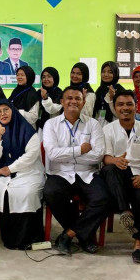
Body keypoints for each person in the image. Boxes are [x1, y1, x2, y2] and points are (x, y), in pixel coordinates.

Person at [42, 86, 111, 255]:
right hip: (60, 173)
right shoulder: (51, 124)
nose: (73, 101)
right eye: (69, 98)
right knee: (51, 193)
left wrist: (65, 154)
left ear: (83, 102)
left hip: (87, 173)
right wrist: (80, 150)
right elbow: (52, 154)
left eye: (77, 98)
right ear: (62, 102)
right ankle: (85, 237)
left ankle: (68, 235)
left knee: (104, 198)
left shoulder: (93, 124)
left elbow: (97, 156)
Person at [100, 89, 140, 264]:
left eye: (129, 104)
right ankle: (126, 211)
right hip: (117, 176)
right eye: (120, 104)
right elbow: (105, 158)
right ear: (115, 107)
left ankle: (139, 243)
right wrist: (116, 160)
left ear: (136, 106)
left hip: (139, 174)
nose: (125, 108)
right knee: (109, 169)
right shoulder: (107, 130)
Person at [0, 100, 44, 249]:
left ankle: (28, 238)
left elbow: (31, 155)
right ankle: (10, 237)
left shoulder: (27, 130)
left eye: (6, 109)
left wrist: (11, 168)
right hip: (2, 172)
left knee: (27, 193)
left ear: (13, 110)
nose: (3, 114)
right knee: (3, 192)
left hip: (28, 171)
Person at [93, 61, 121, 127]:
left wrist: (112, 99)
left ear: (115, 74)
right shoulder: (99, 90)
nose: (106, 74)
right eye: (103, 72)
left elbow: (120, 114)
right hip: (99, 124)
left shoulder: (119, 90)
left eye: (110, 72)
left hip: (115, 125)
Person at [37, 67, 63, 132]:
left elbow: (52, 110)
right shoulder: (39, 92)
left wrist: (45, 98)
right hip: (40, 127)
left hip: (54, 128)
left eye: (49, 76)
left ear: (55, 78)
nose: (46, 79)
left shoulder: (59, 93)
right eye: (43, 77)